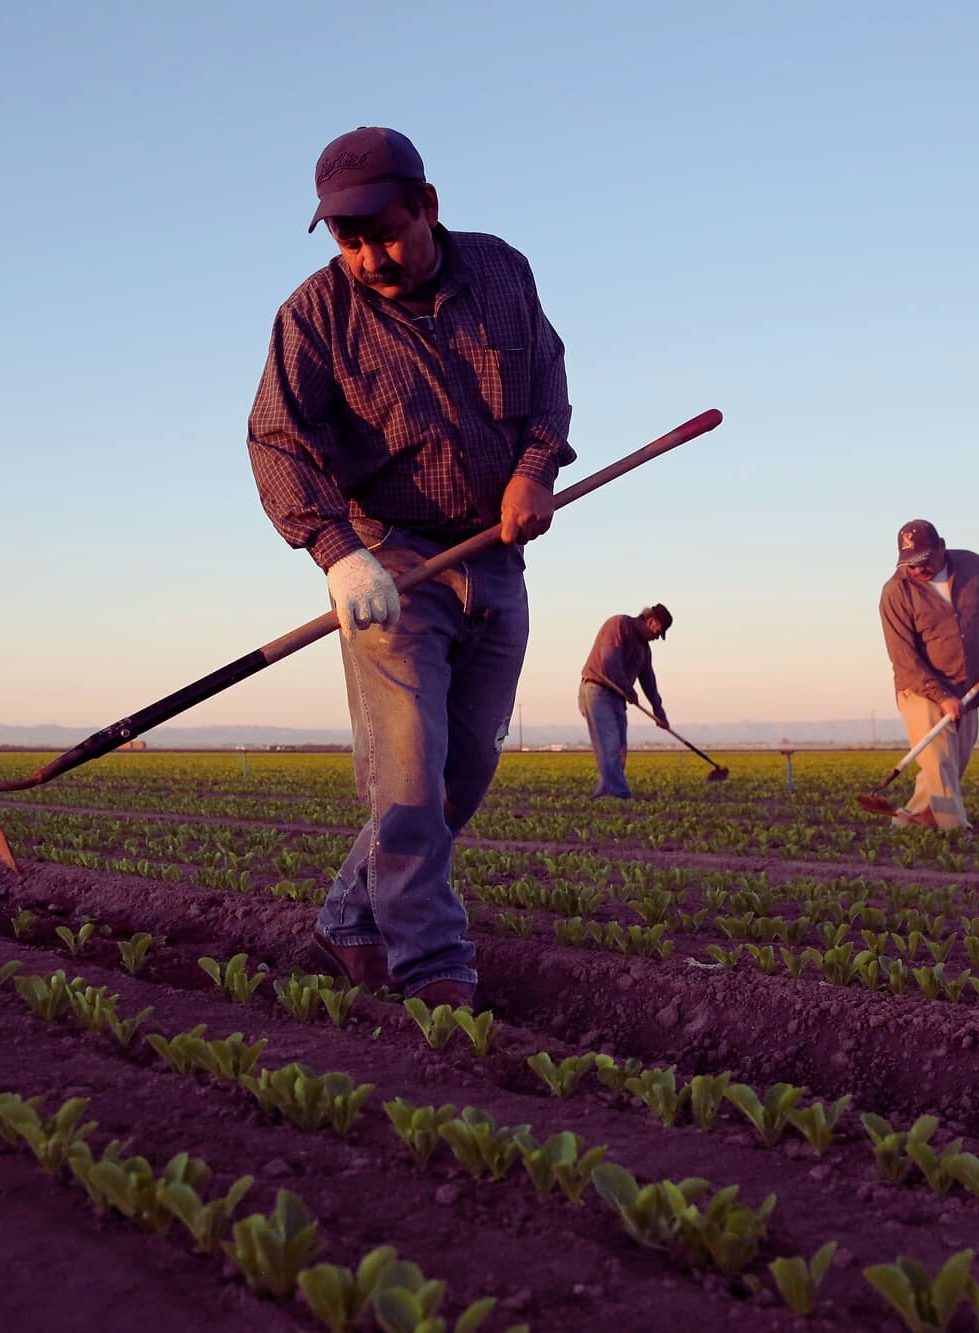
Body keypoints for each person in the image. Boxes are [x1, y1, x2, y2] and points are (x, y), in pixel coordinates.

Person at [247, 126, 573, 1008]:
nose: (368, 257)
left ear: (428, 207)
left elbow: (547, 381)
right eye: (348, 242)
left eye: (383, 232)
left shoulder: (502, 272)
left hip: (493, 554)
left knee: (463, 766)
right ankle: (430, 965)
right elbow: (277, 439)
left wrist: (534, 472)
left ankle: (353, 915)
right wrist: (337, 553)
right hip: (388, 560)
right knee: (409, 765)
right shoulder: (314, 315)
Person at [877, 519, 979, 830]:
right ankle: (956, 832)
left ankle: (911, 822)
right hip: (921, 689)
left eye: (924, 561)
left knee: (950, 767)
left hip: (969, 683)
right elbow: (904, 659)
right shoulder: (895, 592)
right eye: (910, 564)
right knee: (939, 761)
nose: (918, 570)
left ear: (941, 546)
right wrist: (942, 697)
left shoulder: (972, 565)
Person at [578, 604, 673, 798]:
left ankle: (604, 793)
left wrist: (658, 711)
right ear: (651, 621)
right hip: (597, 690)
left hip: (617, 696)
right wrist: (629, 690)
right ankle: (620, 795)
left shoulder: (644, 650)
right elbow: (609, 662)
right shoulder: (619, 625)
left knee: (619, 749)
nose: (657, 637)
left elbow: (649, 681)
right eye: (659, 632)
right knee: (610, 745)